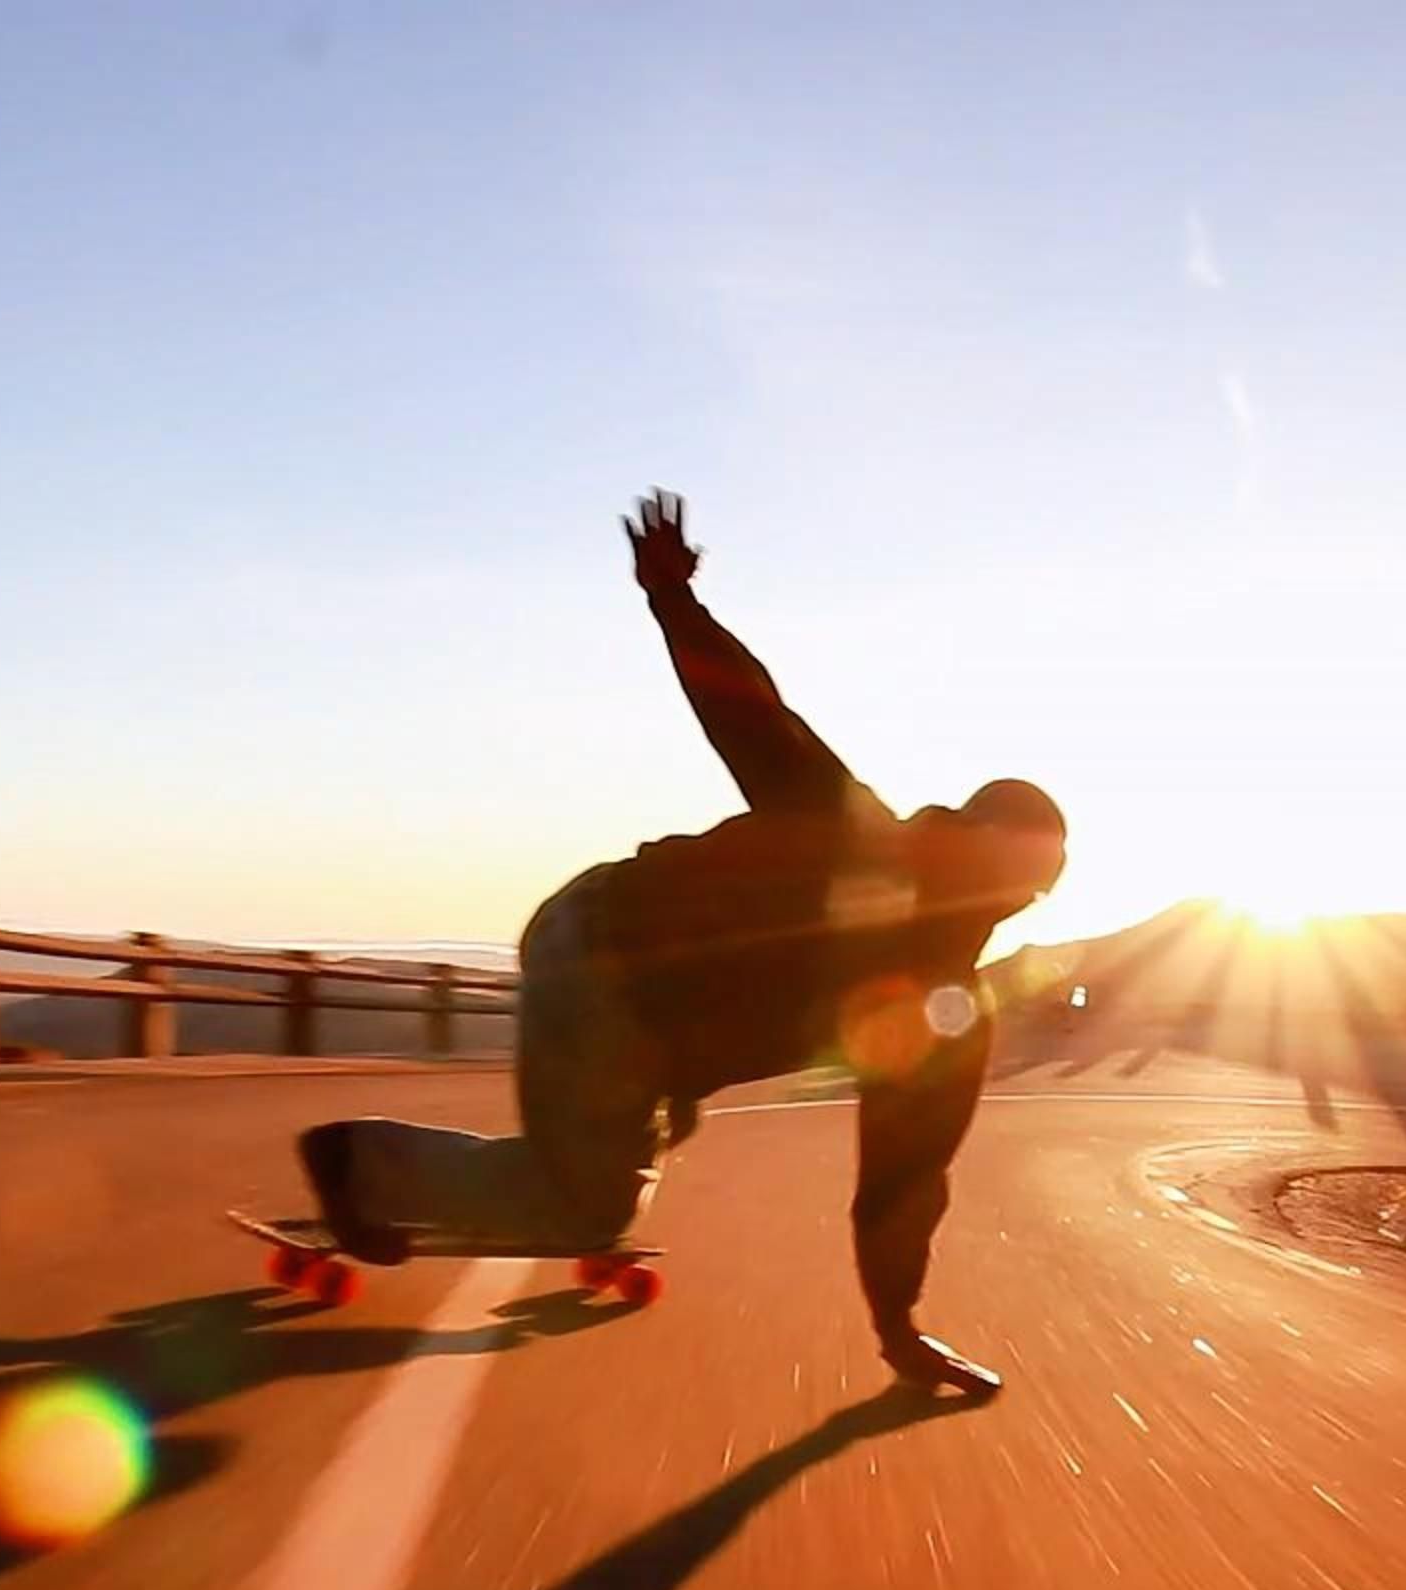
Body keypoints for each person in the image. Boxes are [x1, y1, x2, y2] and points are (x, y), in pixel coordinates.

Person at [298, 490, 1066, 1393]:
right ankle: (361, 1164)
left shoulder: (940, 1018)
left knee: (636, 1145)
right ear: (968, 841)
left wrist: (900, 1330)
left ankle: (551, 1175)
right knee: (583, 1201)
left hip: (629, 973)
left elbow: (903, 1185)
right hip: (604, 961)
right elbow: (753, 718)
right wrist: (674, 603)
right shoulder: (857, 837)